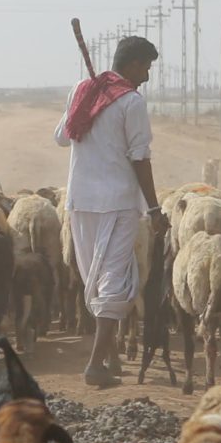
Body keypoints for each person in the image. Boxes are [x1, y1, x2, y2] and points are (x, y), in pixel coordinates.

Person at [55, 35, 163, 387]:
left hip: (80, 201)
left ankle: (111, 357)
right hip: (117, 202)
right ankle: (94, 365)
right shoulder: (131, 102)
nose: (146, 75)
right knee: (115, 282)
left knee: (97, 280)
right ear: (131, 64)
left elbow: (62, 136)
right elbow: (140, 157)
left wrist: (90, 104)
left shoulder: (82, 90)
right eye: (146, 67)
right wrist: (155, 207)